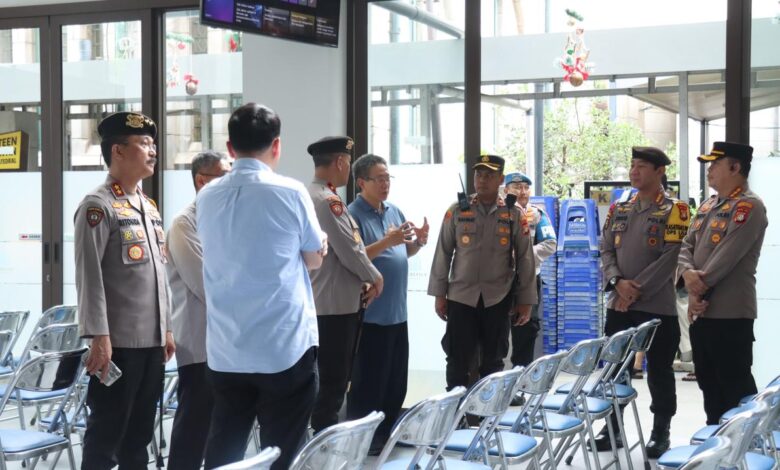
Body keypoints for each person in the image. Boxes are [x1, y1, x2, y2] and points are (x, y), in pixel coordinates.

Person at [197, 103, 326, 469]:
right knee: (282, 452)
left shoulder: (206, 196)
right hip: (282, 348)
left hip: (226, 349)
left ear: (230, 147)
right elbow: (314, 259)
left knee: (225, 449)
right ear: (277, 145)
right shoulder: (290, 191)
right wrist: (317, 247)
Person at [74, 111, 176, 469]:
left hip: (151, 343)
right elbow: (89, 277)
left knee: (140, 436)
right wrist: (99, 336)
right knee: (106, 434)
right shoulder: (98, 205)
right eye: (143, 144)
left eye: (153, 144)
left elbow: (158, 274)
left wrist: (166, 328)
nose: (153, 151)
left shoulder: (148, 206)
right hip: (117, 345)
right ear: (117, 150)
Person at [598, 146, 690, 458]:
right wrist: (617, 283)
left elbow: (672, 256)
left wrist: (635, 290)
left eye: (641, 166)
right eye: (632, 165)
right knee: (615, 369)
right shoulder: (619, 209)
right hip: (619, 305)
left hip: (657, 305)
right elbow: (605, 249)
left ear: (660, 171)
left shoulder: (676, 210)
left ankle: (660, 431)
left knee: (659, 371)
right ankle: (612, 428)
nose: (634, 171)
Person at [428, 155, 537, 391]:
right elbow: (443, 253)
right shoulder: (457, 210)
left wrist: (526, 301)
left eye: (489, 175)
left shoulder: (513, 213)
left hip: (497, 297)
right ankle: (455, 409)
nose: (482, 180)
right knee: (457, 360)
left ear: (500, 179)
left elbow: (526, 259)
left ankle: (488, 410)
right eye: (479, 175)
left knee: (493, 361)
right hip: (460, 297)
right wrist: (439, 294)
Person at [346, 154, 429, 453]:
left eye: (387, 178)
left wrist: (417, 242)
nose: (385, 184)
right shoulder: (351, 215)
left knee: (395, 381)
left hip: (397, 312)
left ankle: (388, 433)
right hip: (370, 316)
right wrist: (386, 242)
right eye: (379, 179)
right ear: (362, 182)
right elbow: (353, 257)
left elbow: (401, 253)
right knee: (370, 382)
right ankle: (363, 440)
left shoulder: (393, 210)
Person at [679, 141, 767, 425]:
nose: (710, 170)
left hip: (730, 314)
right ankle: (716, 440)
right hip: (702, 315)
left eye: (715, 164)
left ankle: (746, 444)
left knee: (735, 387)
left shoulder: (749, 207)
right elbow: (686, 246)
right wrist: (687, 273)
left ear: (735, 167)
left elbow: (726, 257)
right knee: (709, 384)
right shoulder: (708, 205)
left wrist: (696, 290)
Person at [308, 137, 384, 434]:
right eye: (348, 162)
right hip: (335, 306)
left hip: (326, 301)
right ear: (340, 162)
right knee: (333, 384)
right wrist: (374, 276)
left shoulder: (311, 194)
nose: (349, 169)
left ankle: (321, 440)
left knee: (328, 382)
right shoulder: (329, 201)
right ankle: (322, 446)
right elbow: (351, 250)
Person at [165, 151, 230, 470]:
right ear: (202, 181)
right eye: (225, 176)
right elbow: (206, 283)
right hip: (199, 340)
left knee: (222, 427)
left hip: (228, 340)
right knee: (195, 424)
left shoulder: (228, 219)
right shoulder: (184, 224)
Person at [503, 172, 557, 369]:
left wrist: (523, 255)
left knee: (527, 329)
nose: (523, 192)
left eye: (526, 188)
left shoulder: (537, 214)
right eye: (517, 187)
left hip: (529, 280)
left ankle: (521, 374)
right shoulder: (498, 213)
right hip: (500, 281)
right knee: (498, 329)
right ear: (506, 190)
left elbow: (550, 244)